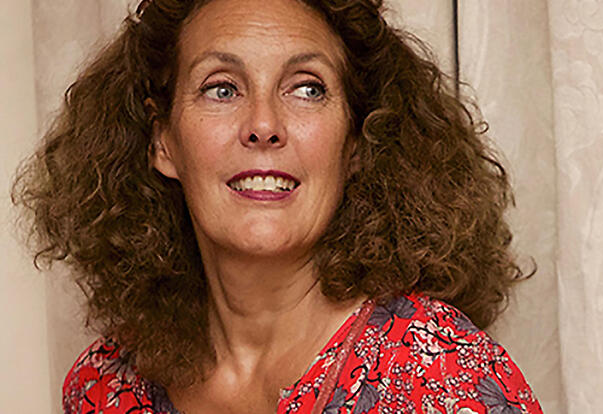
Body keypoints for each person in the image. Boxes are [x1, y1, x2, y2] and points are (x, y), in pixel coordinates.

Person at [13, 0, 543, 413]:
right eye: (222, 89)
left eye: (306, 88)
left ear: (356, 144)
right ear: (162, 142)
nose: (263, 125)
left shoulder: (441, 376)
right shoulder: (104, 386)